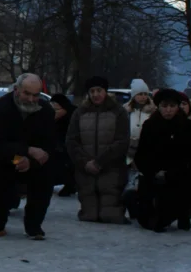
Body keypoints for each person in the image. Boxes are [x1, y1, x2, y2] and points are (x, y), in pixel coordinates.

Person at [0, 73, 55, 238]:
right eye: (27, 94)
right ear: (17, 90)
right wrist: (24, 152)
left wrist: (30, 162)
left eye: (36, 95)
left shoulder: (45, 111)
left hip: (30, 164)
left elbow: (49, 147)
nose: (31, 99)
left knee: (45, 175)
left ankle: (34, 224)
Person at [131, 89, 191, 232]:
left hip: (177, 178)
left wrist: (171, 173)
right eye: (164, 106)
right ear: (158, 107)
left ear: (177, 107)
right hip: (153, 175)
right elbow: (142, 154)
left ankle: (181, 213)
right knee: (147, 217)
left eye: (172, 106)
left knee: (166, 211)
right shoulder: (150, 126)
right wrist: (152, 171)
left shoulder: (188, 127)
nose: (168, 110)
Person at [66, 76, 131, 224]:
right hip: (86, 171)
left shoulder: (118, 112)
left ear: (105, 91)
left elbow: (122, 141)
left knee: (110, 215)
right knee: (90, 216)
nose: (96, 94)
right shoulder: (79, 113)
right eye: (92, 91)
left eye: (99, 90)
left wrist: (101, 161)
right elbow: (72, 141)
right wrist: (85, 162)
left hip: (111, 169)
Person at [50, 93, 77, 197]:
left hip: (67, 149)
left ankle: (70, 185)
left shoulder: (72, 114)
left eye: (56, 109)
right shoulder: (58, 116)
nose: (54, 112)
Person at [124, 79, 155, 163]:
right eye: (140, 94)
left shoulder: (153, 111)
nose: (143, 97)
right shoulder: (126, 111)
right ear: (134, 95)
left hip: (147, 152)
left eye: (145, 94)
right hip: (128, 152)